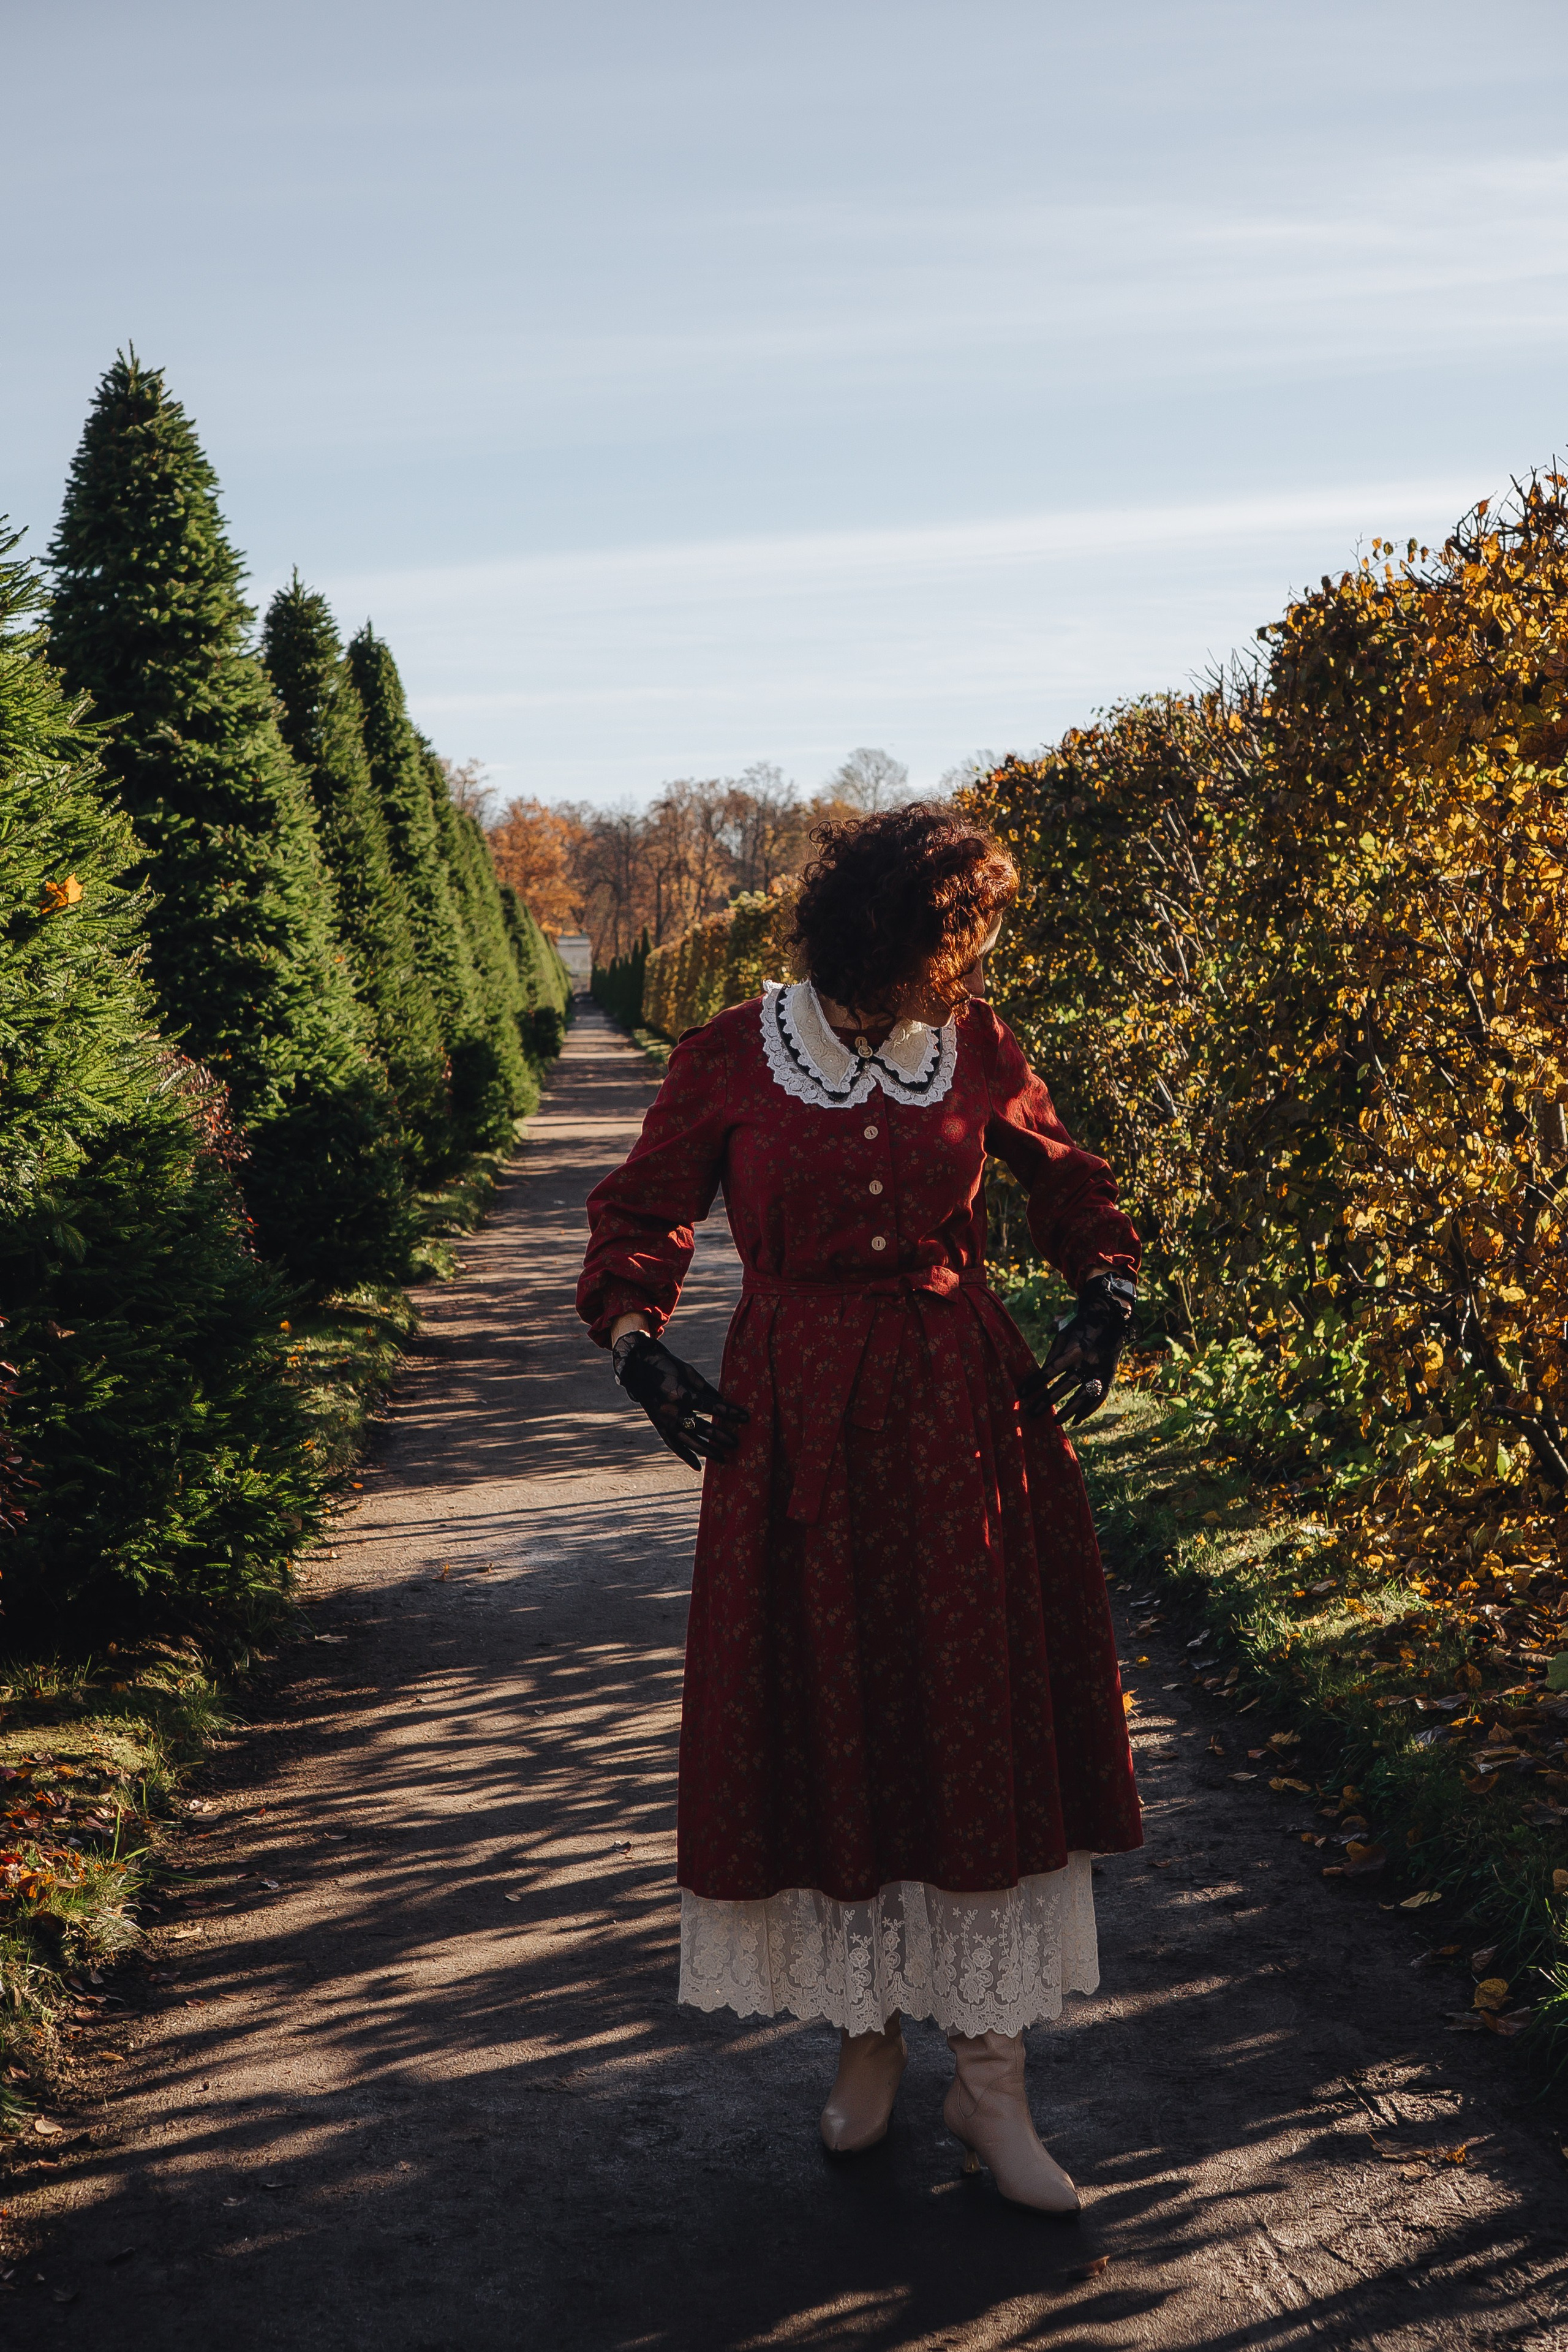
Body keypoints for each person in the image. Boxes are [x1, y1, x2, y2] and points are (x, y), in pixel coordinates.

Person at [576, 802, 1142, 2216]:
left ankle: (993, 2083)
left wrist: (1105, 1285)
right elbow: (640, 1216)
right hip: (793, 1436)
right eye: (964, 933)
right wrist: (639, 1342)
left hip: (960, 1418)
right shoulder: (729, 1054)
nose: (981, 956)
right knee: (839, 1719)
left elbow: (1063, 1175)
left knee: (966, 1721)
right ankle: (869, 2040)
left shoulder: (978, 1045)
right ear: (895, 933)